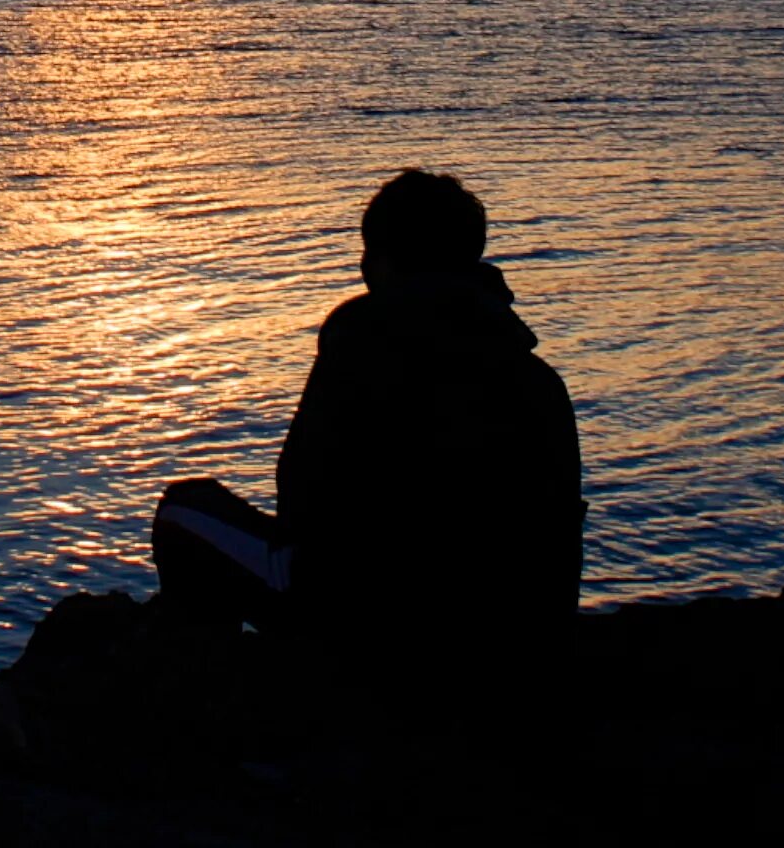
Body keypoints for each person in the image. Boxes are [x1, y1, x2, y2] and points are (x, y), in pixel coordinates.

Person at [154, 168, 584, 668]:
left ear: (381, 264)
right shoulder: (537, 377)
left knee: (184, 510)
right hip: (522, 638)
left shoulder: (361, 349)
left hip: (380, 637)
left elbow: (300, 505)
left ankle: (207, 699)